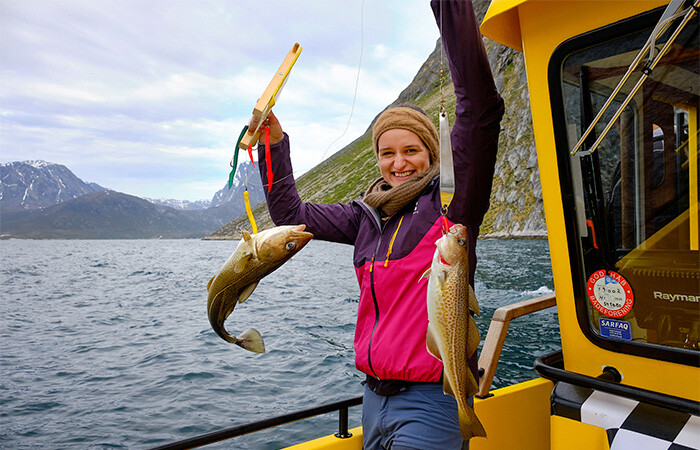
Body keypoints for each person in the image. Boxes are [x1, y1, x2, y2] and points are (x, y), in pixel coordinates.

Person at [256, 1, 503, 448]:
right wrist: (273, 143)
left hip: (432, 400)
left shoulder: (453, 203)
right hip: (373, 398)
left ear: (432, 153)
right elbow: (289, 217)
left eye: (411, 150)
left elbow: (481, 110)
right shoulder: (365, 217)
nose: (399, 163)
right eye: (387, 153)